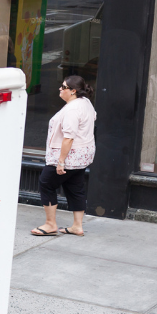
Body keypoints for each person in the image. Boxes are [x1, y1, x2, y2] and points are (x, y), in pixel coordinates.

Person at [31, 75, 96, 237]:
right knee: (75, 187)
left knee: (46, 183)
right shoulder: (85, 103)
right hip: (83, 156)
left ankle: (50, 224)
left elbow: (69, 137)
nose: (60, 89)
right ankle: (77, 226)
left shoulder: (72, 110)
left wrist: (61, 162)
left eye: (63, 87)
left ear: (73, 91)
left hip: (68, 157)